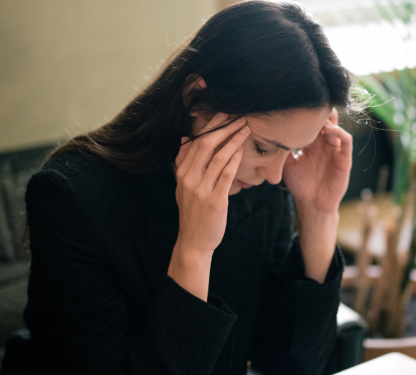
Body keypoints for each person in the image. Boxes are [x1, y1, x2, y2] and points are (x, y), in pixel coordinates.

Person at [1, 1, 363, 374]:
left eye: (293, 150)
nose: (274, 174)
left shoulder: (261, 190)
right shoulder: (68, 195)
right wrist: (194, 248)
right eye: (263, 147)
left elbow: (290, 366)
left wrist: (319, 214)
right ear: (195, 97)